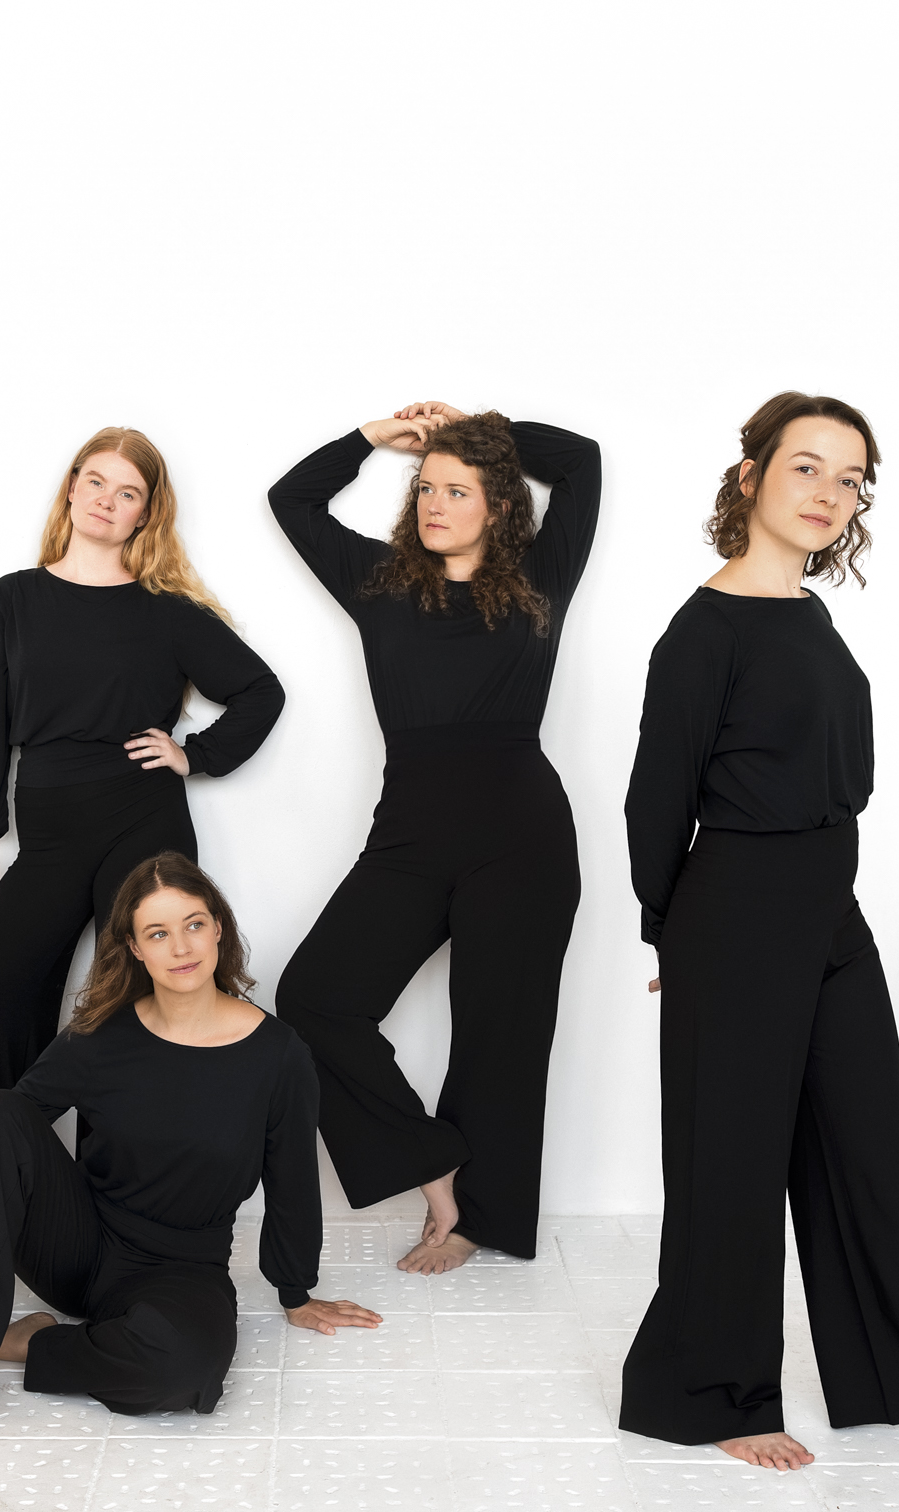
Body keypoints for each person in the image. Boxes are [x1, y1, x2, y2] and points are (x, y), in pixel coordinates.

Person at [620, 392, 899, 1469]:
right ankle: (714, 1395)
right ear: (751, 476)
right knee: (729, 1165)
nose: (828, 493)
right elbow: (654, 800)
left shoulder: (806, 613)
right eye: (806, 467)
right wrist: (675, 937)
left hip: (825, 908)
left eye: (849, 478)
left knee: (873, 1151)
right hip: (736, 911)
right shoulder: (703, 630)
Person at [0, 853, 381, 1465]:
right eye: (157, 933)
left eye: (194, 924)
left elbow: (293, 1180)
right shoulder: (100, 1035)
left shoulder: (278, 1055)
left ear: (219, 927)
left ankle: (35, 1342)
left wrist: (295, 1291)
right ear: (133, 947)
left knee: (184, 1371)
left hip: (182, 1267)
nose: (180, 947)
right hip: (77, 1246)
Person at [269, 400, 600, 1273]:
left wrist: (485, 430)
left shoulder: (540, 576)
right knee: (315, 1000)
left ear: (499, 504)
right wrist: (373, 437)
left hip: (522, 833)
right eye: (425, 487)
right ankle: (436, 1166)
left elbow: (582, 460)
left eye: (458, 489)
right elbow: (292, 500)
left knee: (500, 1038)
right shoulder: (380, 581)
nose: (435, 503)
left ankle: (477, 1220)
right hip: (411, 832)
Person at [0, 425, 286, 1164]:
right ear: (72, 487)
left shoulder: (166, 609)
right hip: (49, 833)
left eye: (128, 493)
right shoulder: (15, 597)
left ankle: (118, 1199)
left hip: (141, 822)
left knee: (132, 1012)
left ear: (146, 513)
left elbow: (260, 691)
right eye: (95, 482)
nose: (106, 501)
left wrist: (194, 756)